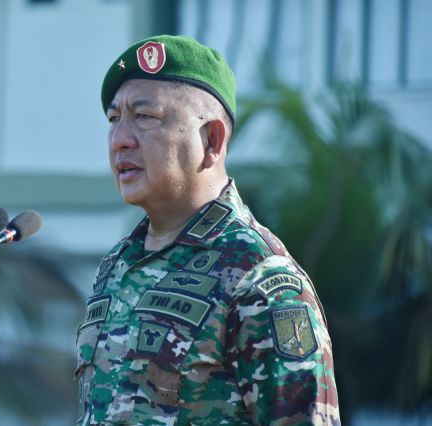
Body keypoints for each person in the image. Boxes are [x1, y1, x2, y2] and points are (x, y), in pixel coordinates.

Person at [75, 35, 340, 425]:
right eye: (114, 119)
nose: (120, 140)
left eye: (144, 117)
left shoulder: (258, 275)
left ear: (212, 140)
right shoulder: (116, 265)